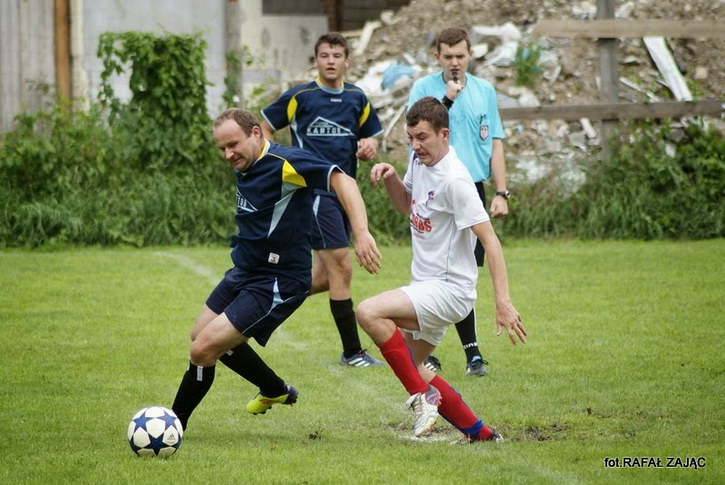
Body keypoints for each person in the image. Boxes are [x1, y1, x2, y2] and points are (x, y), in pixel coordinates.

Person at [171, 108, 381, 430]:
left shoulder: (286, 163)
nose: (228, 154)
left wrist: (362, 233)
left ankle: (171, 426)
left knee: (203, 349)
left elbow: (344, 180)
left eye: (233, 144)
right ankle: (273, 389)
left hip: (277, 280)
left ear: (256, 133)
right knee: (200, 335)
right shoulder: (247, 163)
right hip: (245, 271)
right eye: (222, 148)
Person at [357, 97, 526, 442]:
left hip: (449, 291)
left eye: (422, 137)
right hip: (427, 285)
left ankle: (424, 399)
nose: (415, 146)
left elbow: (490, 241)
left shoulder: (456, 181)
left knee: (369, 311)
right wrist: (391, 176)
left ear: (444, 134)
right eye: (411, 138)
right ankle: (481, 433)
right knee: (412, 366)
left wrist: (503, 302)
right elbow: (406, 204)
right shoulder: (419, 161)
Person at [260, 32, 386, 368]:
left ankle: (263, 301)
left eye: (337, 55)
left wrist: (370, 145)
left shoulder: (357, 98)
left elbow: (370, 136)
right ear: (316, 60)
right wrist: (275, 160)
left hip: (345, 194)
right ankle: (352, 352)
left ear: (347, 61)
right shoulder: (300, 96)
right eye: (325, 55)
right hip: (314, 194)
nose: (331, 61)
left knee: (325, 276)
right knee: (342, 267)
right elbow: (263, 127)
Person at [407, 27, 510, 376]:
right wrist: (448, 98)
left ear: (470, 55)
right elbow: (417, 136)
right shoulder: (423, 89)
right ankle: (431, 351)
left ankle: (471, 353)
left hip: (469, 189)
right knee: (434, 268)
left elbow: (495, 141)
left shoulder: (484, 91)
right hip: (434, 187)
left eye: (460, 56)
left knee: (466, 272)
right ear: (437, 57)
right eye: (448, 56)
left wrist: (501, 192)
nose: (454, 62)